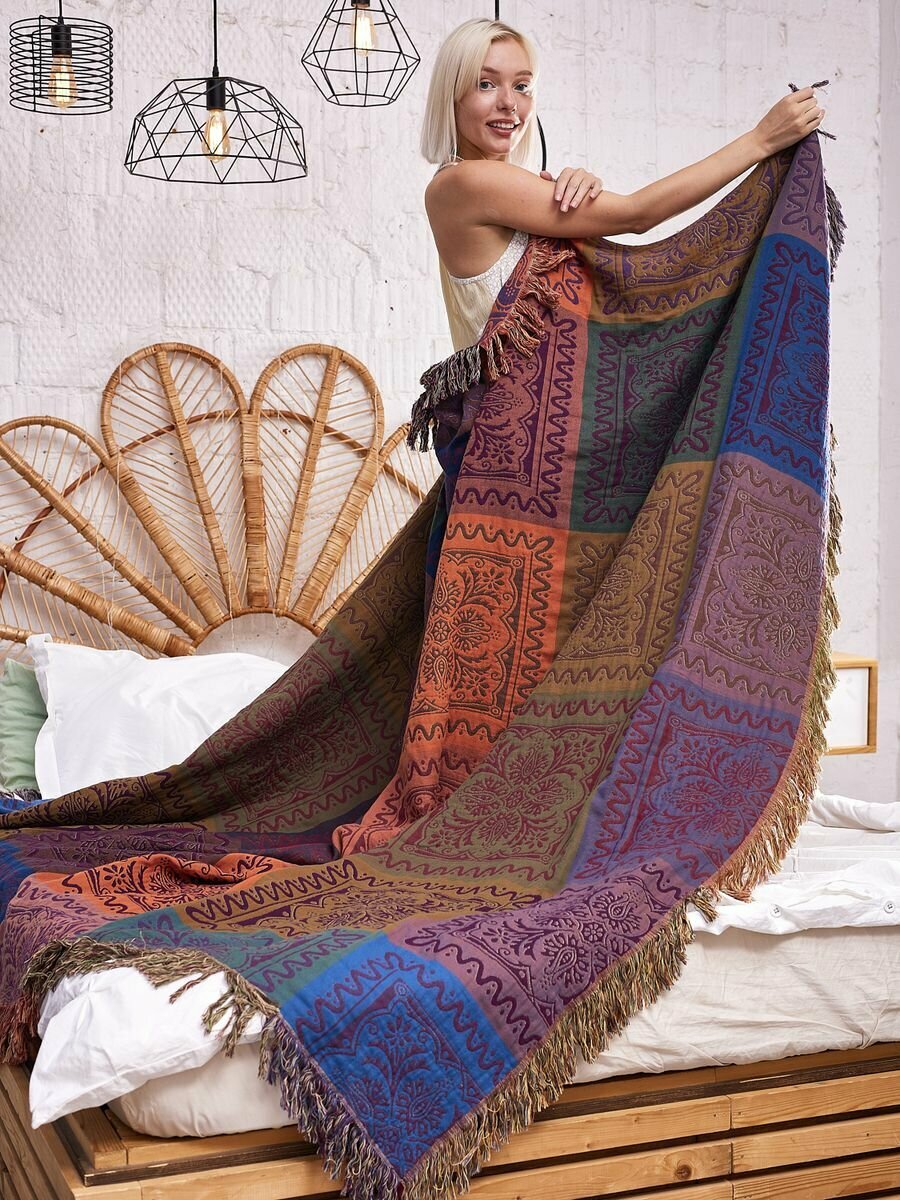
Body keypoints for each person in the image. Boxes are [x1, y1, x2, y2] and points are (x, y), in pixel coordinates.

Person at [421, 18, 826, 354]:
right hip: (511, 425)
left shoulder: (483, 186)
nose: (510, 103)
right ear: (452, 94)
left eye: (522, 85)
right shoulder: (467, 181)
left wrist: (580, 198)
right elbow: (637, 214)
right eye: (486, 84)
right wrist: (760, 141)